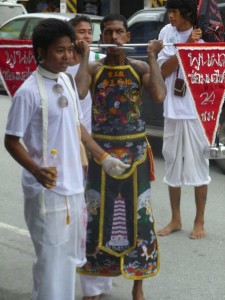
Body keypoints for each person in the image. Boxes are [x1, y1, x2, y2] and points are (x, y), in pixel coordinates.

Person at [4, 18, 130, 300]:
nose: (68, 57)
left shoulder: (65, 80)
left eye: (70, 49)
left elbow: (77, 125)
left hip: (73, 188)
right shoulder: (28, 92)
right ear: (40, 53)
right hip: (47, 192)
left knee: (68, 260)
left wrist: (103, 157)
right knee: (52, 264)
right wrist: (36, 170)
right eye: (60, 50)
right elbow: (11, 140)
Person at [75, 14, 166, 300]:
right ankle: (94, 283)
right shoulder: (93, 68)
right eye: (109, 33)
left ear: (127, 37)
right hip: (101, 156)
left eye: (119, 32)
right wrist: (84, 56)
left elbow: (159, 95)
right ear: (103, 38)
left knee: (140, 218)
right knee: (97, 216)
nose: (114, 38)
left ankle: (138, 286)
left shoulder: (139, 68)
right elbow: (78, 91)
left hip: (135, 157)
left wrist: (153, 57)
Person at [66, 15, 113, 297]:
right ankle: (86, 282)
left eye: (88, 32)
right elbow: (80, 89)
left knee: (97, 211)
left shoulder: (97, 59)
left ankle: (99, 279)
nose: (85, 36)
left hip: (95, 143)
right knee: (82, 216)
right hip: (72, 146)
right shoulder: (62, 64)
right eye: (80, 32)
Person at [156, 0, 211, 240]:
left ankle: (199, 220)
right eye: (169, 11)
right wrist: (186, 47)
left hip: (197, 112)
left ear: (188, 13)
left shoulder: (206, 36)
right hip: (172, 111)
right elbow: (165, 70)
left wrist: (196, 44)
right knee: (172, 165)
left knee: (200, 165)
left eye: (175, 12)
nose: (171, 16)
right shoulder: (166, 33)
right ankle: (176, 219)